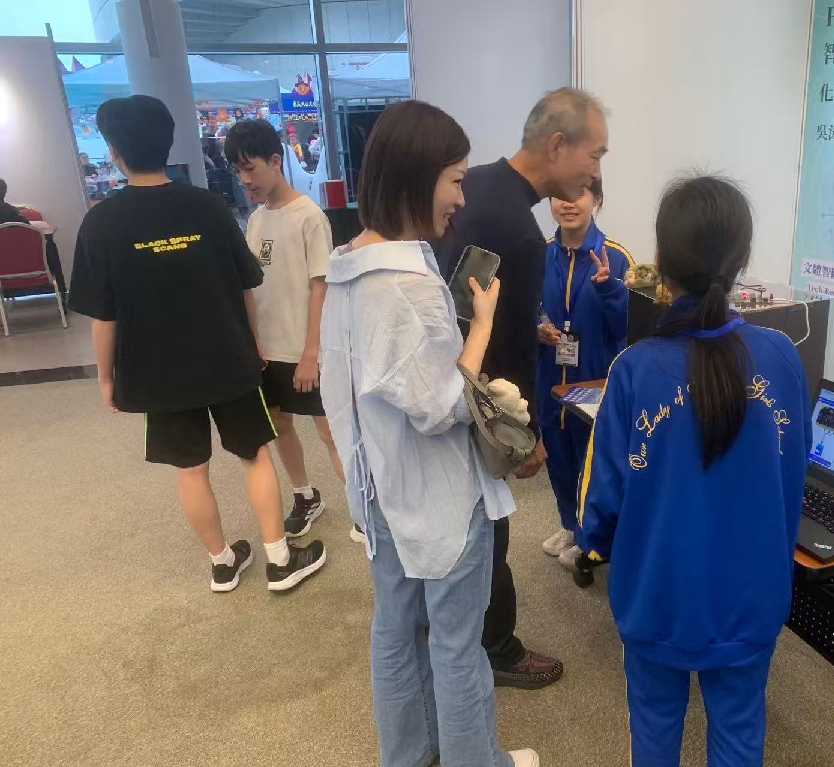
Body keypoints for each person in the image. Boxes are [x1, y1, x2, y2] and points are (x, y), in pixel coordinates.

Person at [320, 100, 539, 767]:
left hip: (383, 487)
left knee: (395, 629)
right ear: (419, 177)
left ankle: (411, 754)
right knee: (455, 642)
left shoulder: (348, 268)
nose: (461, 198)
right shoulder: (405, 286)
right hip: (439, 498)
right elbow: (441, 405)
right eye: (455, 180)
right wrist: (482, 325)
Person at [576, 175, 811, 766]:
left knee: (654, 731)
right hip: (751, 594)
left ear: (659, 261)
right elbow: (794, 477)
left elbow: (601, 505)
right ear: (743, 258)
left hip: (655, 595)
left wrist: (600, 548)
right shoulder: (783, 358)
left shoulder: (634, 370)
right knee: (739, 730)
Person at [68, 95, 326, 594]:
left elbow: (105, 316)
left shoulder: (101, 222)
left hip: (157, 370)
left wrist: (105, 378)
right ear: (168, 144)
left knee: (190, 469)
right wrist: (253, 346)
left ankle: (223, 563)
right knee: (254, 454)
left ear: (114, 152)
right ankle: (279, 560)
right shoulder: (208, 207)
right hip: (228, 358)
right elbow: (246, 287)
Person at [437, 87, 608, 690]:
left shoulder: (478, 184)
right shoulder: (520, 233)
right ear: (557, 145)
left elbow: (470, 300)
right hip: (476, 397)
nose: (595, 172)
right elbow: (508, 353)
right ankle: (498, 650)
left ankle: (470, 637)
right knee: (491, 525)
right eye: (595, 155)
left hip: (444, 377)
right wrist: (527, 436)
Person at [224, 118, 356, 543]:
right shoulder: (255, 220)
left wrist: (311, 354)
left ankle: (364, 510)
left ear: (276, 161)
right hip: (268, 350)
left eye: (251, 168)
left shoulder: (310, 217)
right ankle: (305, 495)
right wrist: (253, 345)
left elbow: (321, 287)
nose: (245, 180)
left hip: (306, 349)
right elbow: (252, 290)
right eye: (238, 171)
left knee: (329, 431)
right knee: (279, 424)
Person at [535, 178, 634, 569]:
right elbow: (526, 306)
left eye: (579, 194)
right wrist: (536, 328)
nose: (568, 203)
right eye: (559, 195)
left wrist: (610, 291)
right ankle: (569, 526)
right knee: (558, 460)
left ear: (597, 199)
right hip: (550, 379)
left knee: (590, 465)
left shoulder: (616, 258)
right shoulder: (540, 254)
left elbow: (628, 327)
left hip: (594, 380)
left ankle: (590, 536)